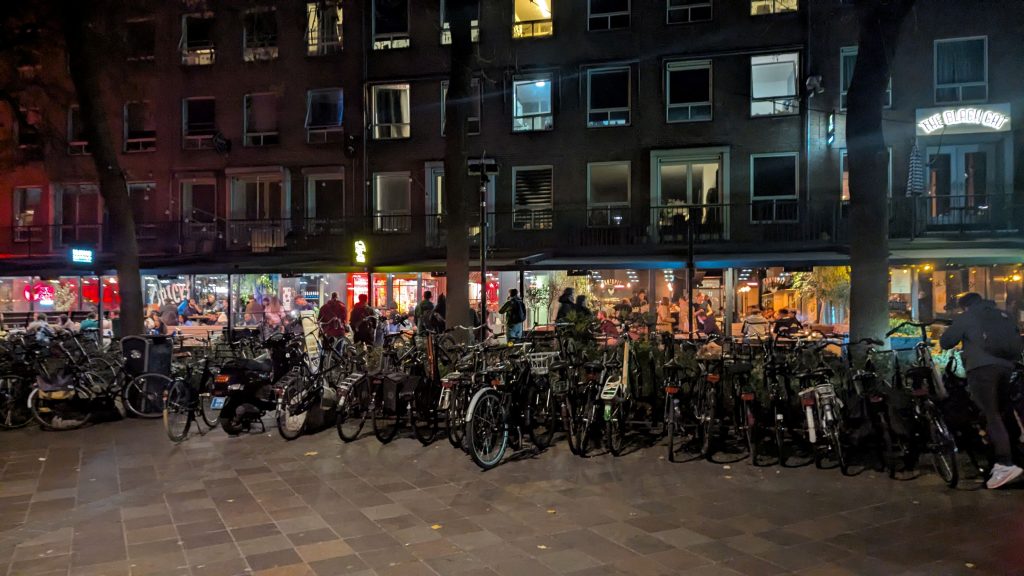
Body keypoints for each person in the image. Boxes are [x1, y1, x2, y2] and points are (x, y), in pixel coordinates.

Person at [940, 292, 1024, 489]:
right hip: (1007, 367)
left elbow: (946, 342)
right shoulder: (1001, 315)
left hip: (981, 369)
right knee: (1004, 412)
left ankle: (1004, 464)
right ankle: (1016, 456)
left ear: (965, 306)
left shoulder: (968, 316)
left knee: (991, 414)